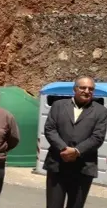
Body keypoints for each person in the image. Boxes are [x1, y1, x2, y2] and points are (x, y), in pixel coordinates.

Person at [44, 76, 107, 208]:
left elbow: (98, 137)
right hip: (57, 165)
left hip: (83, 168)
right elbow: (50, 129)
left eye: (91, 89)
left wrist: (77, 151)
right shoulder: (58, 106)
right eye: (83, 87)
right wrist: (63, 149)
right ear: (74, 89)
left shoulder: (101, 111)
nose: (87, 91)